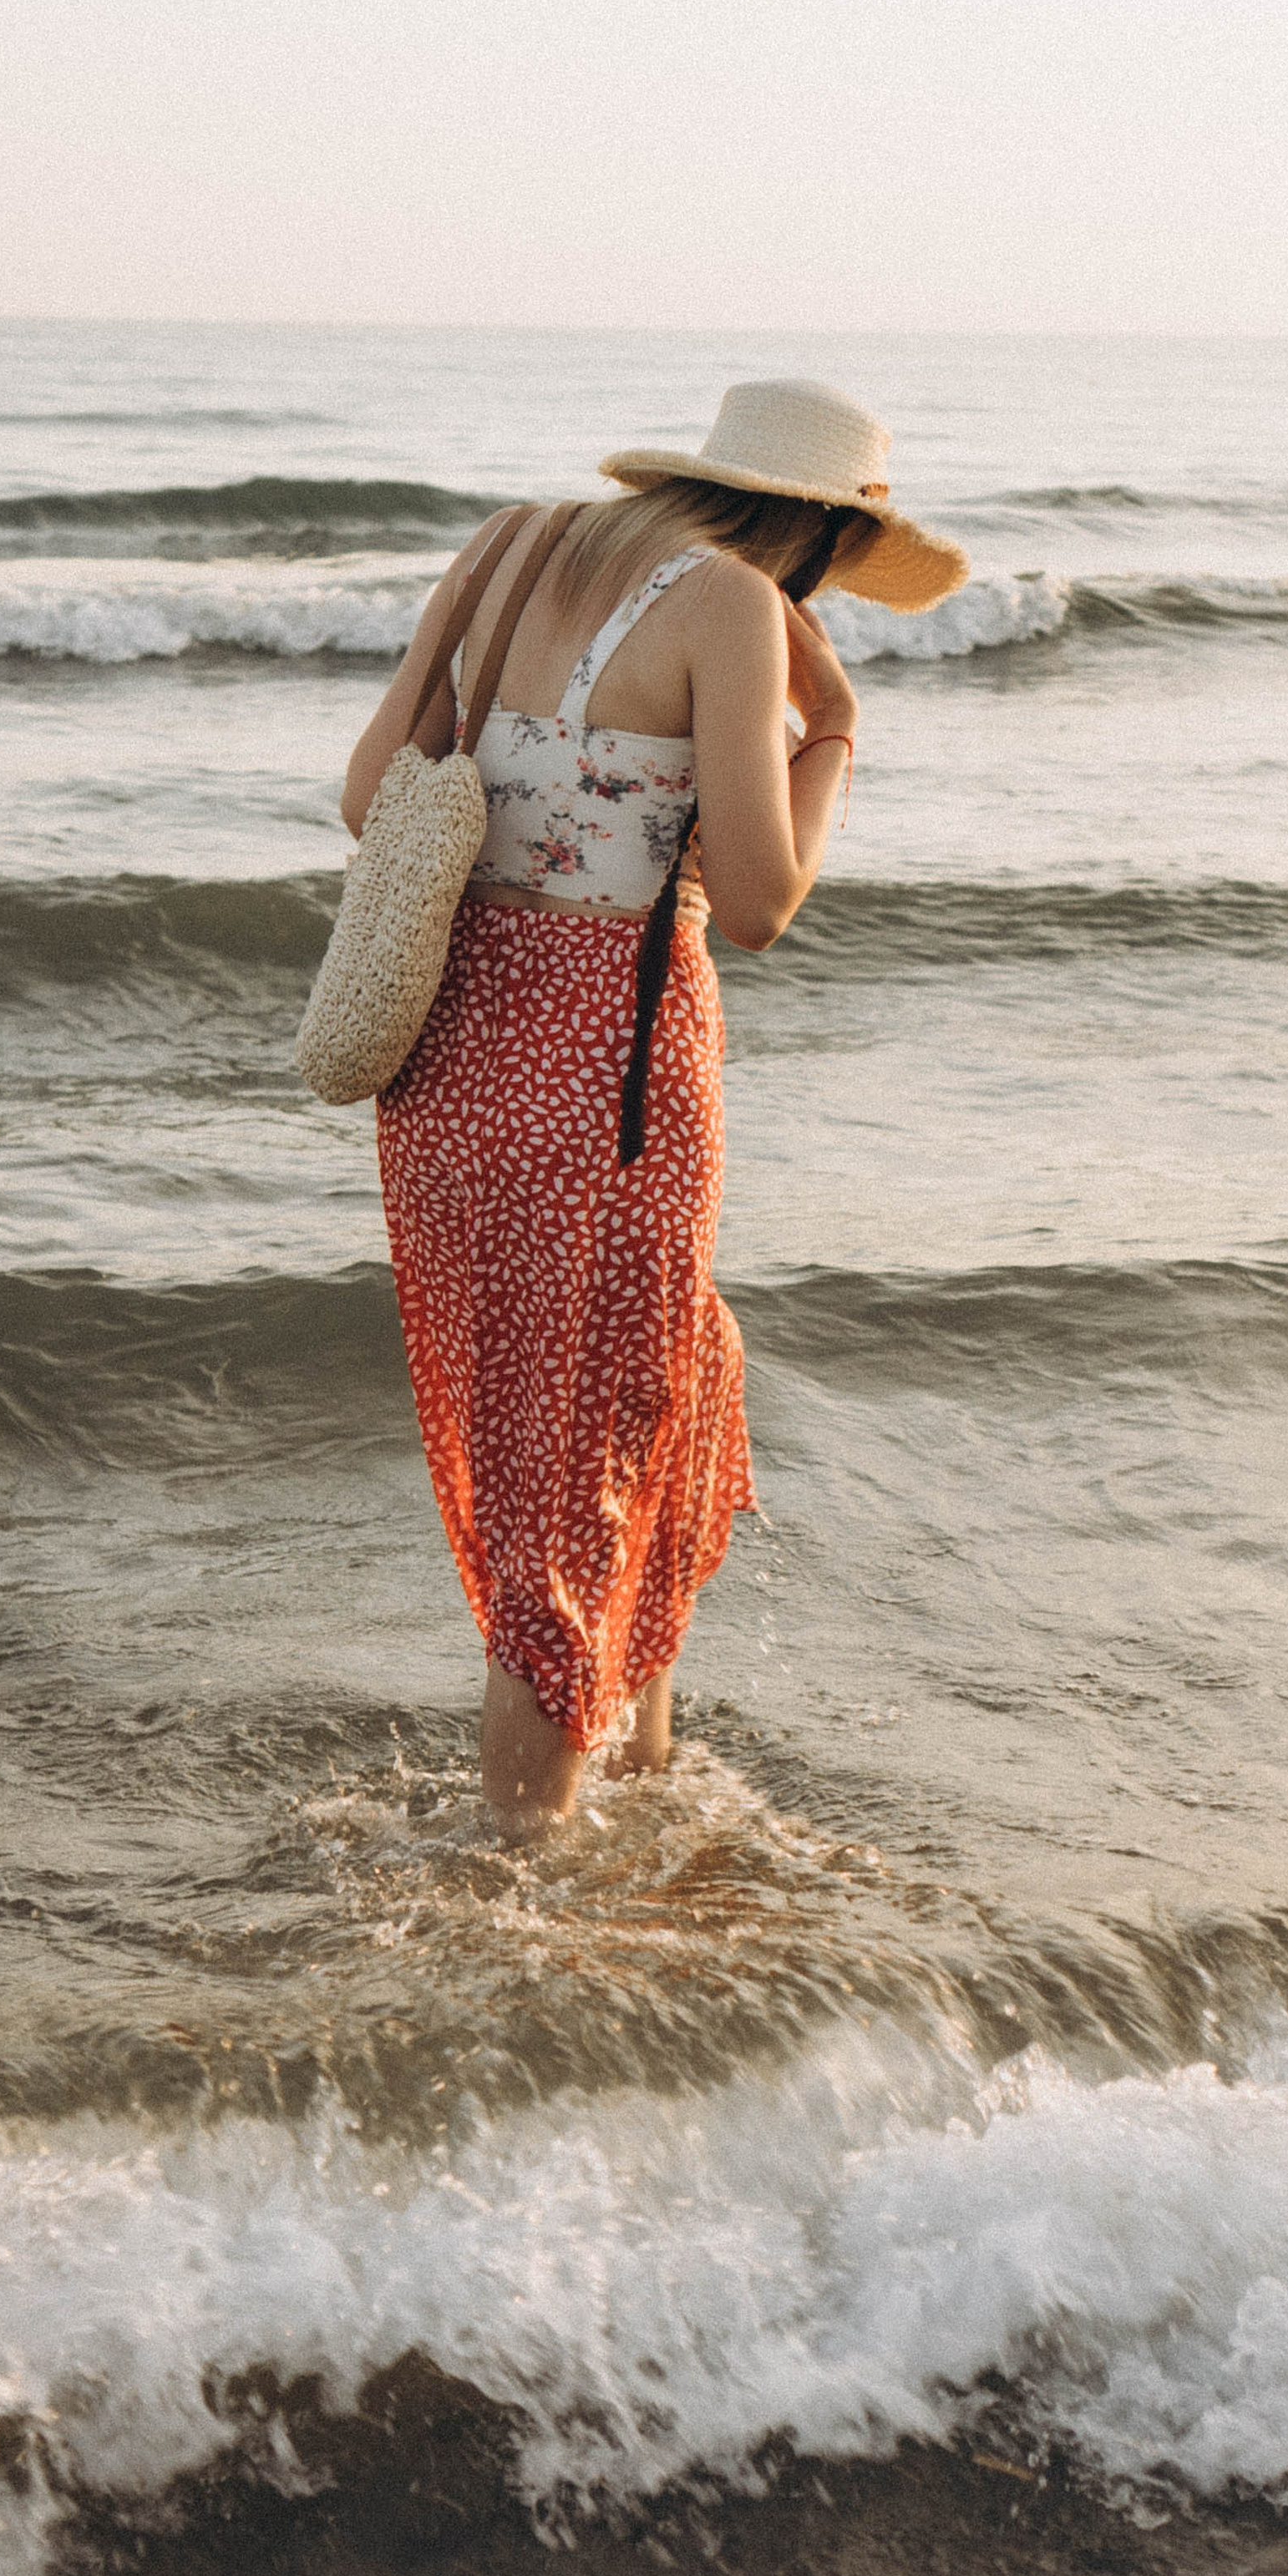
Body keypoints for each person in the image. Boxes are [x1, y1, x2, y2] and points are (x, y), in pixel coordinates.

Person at [340, 381, 967, 1839]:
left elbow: (373, 792)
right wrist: (837, 737)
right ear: (813, 531)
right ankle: (522, 1878)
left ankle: (637, 1799)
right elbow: (758, 903)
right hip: (607, 1086)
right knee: (582, 1475)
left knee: (633, 1419)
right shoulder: (736, 605)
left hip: (448, 1077)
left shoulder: (507, 548)